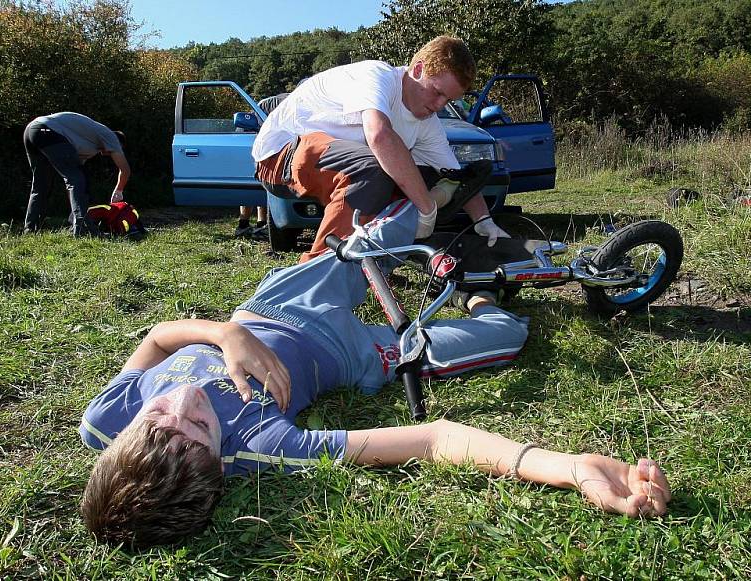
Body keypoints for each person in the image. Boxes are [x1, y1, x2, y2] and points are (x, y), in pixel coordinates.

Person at [79, 199, 671, 547]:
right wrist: (568, 469)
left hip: (272, 307)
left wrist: (224, 333)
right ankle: (475, 295)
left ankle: (454, 209)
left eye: (158, 415)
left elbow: (157, 339)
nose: (184, 403)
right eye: (201, 428)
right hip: (351, 351)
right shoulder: (266, 448)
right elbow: (435, 439)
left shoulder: (104, 420)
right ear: (220, 462)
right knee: (506, 334)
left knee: (392, 220)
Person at [252, 35, 510, 263]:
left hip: (326, 162)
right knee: (376, 168)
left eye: (449, 100)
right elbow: (379, 135)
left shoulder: (427, 124)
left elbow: (454, 176)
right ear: (418, 69)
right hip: (279, 157)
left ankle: (372, 261)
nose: (440, 105)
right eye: (437, 92)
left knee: (417, 178)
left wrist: (484, 221)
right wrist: (427, 208)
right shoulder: (377, 76)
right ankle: (315, 274)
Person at [23, 112, 130, 237]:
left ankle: (31, 229)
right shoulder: (111, 136)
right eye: (117, 149)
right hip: (47, 131)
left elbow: (72, 184)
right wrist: (119, 191)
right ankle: (83, 229)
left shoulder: (88, 146)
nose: (109, 154)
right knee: (77, 180)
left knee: (41, 185)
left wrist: (73, 211)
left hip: (32, 130)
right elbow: (125, 169)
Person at [235, 94, 289, 240]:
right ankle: (244, 225)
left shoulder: (282, 102)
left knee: (262, 185)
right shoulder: (270, 105)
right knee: (255, 184)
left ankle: (258, 224)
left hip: (265, 147)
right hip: (255, 145)